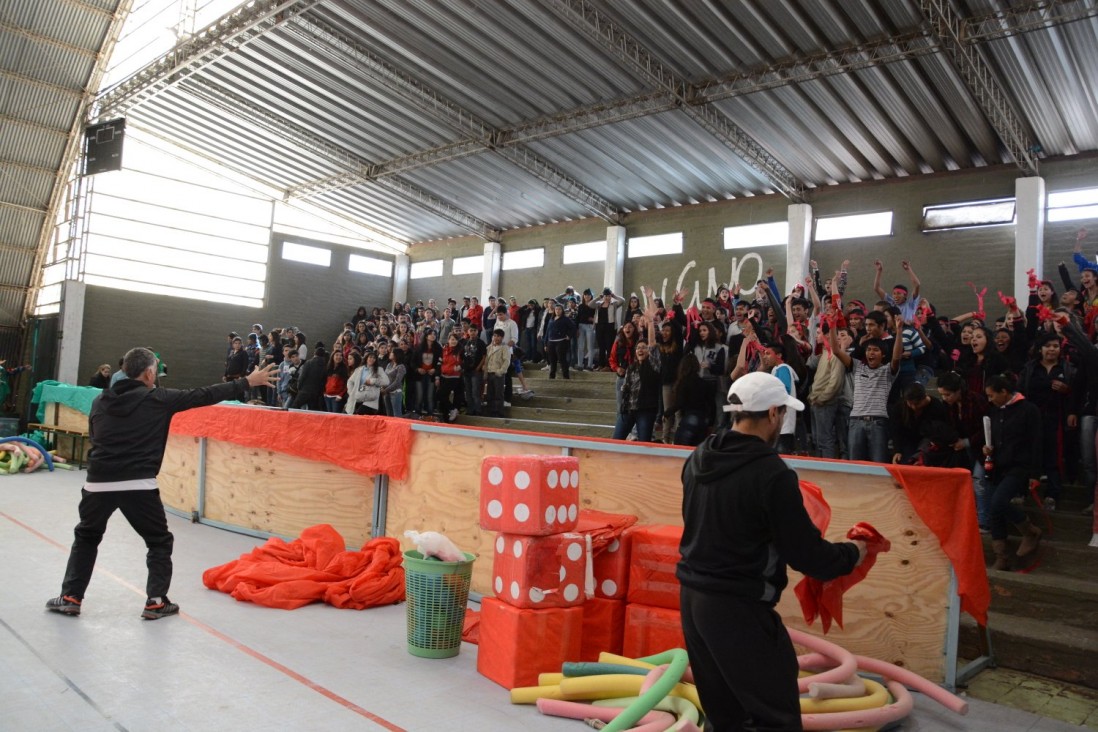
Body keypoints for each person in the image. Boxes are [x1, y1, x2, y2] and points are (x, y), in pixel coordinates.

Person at [677, 372, 867, 730]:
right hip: (738, 606)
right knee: (775, 716)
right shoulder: (771, 473)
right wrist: (852, 553)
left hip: (692, 600)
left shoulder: (700, 456)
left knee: (725, 715)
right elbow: (808, 556)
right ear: (774, 414)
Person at [46, 348, 278, 619]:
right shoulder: (158, 398)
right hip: (139, 484)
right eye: (155, 371)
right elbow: (203, 394)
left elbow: (96, 437)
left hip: (98, 483)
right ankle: (156, 600)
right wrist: (247, 382)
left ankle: (71, 597)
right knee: (158, 541)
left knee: (86, 537)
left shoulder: (100, 400)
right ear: (148, 373)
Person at [983, 374, 1043, 571]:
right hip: (998, 465)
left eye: (992, 395)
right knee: (994, 510)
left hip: (1019, 465)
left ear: (1004, 392)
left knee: (999, 502)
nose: (990, 400)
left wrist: (1035, 473)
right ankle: (1002, 555)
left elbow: (1036, 441)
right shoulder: (995, 411)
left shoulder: (1028, 410)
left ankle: (1029, 531)